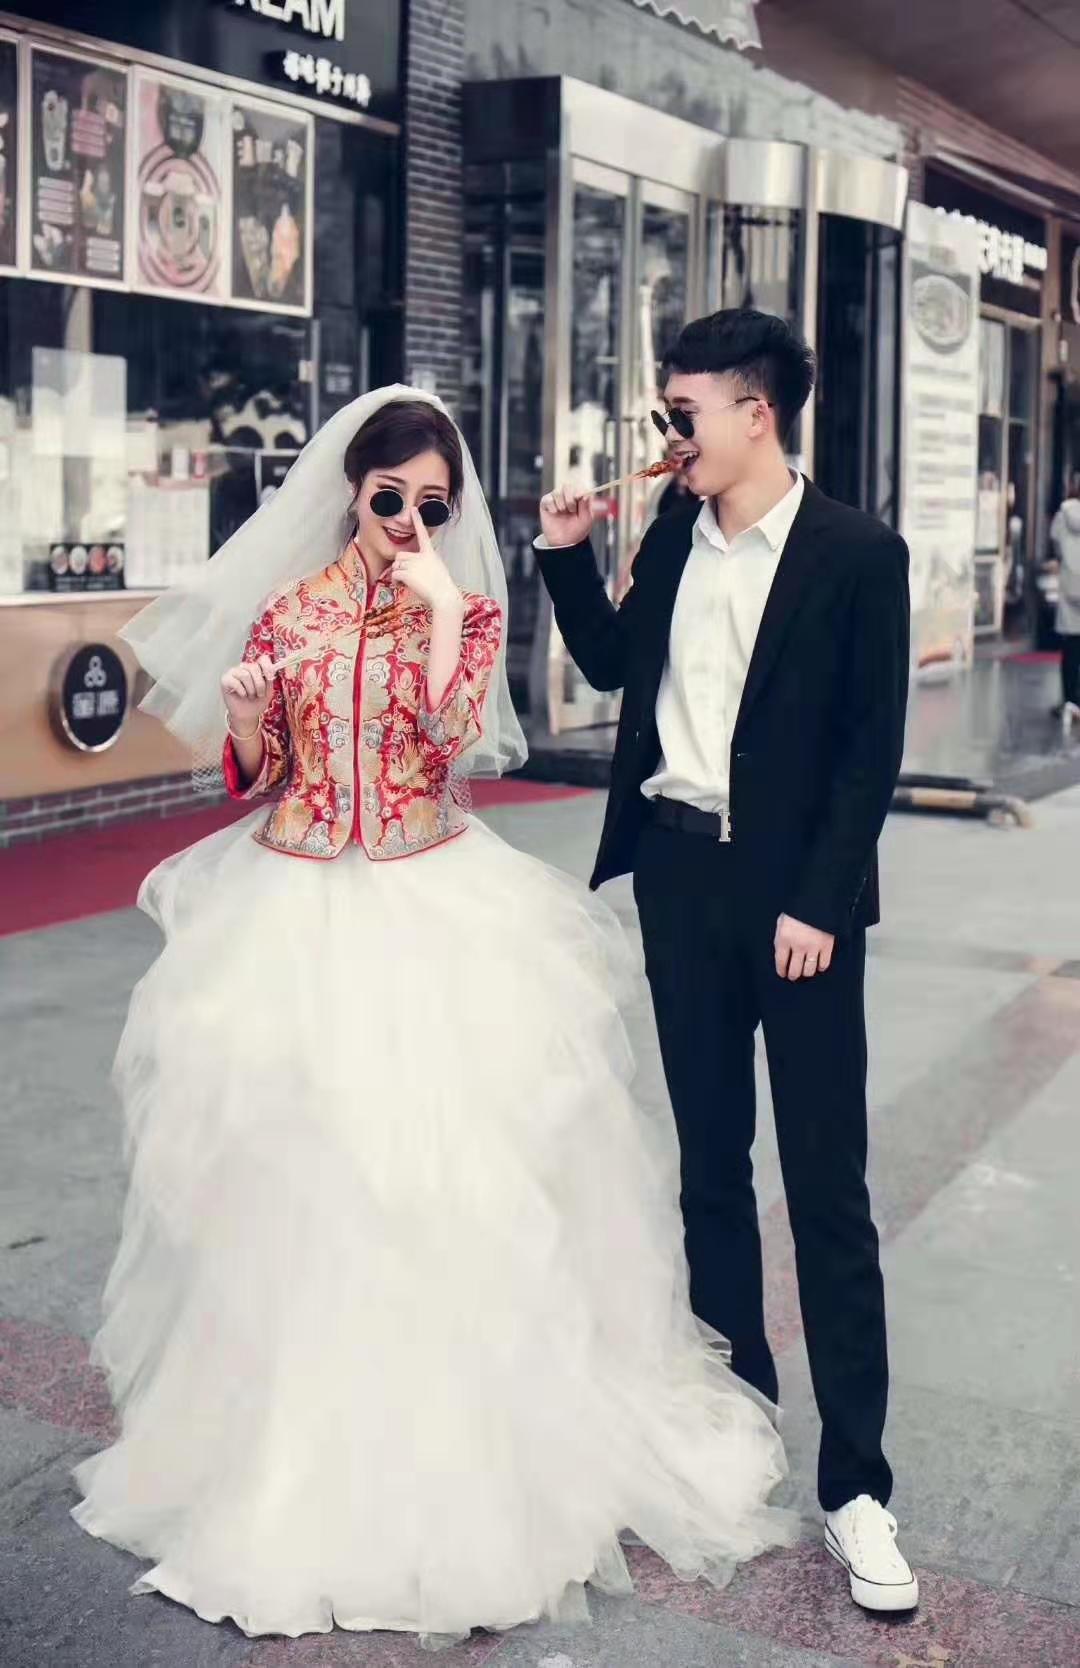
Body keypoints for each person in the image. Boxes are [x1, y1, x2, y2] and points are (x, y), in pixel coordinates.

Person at [71, 385, 796, 1645]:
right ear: (351, 493)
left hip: (429, 899)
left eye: (434, 506)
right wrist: (242, 716)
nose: (410, 522)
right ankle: (286, 1446)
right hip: (294, 907)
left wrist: (451, 612)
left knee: (444, 1180)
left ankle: (452, 1449)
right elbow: (257, 774)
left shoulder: (455, 608)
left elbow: (460, 744)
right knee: (298, 1176)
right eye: (390, 499)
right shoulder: (291, 610)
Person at [537, 309, 918, 1615]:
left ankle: (858, 1485)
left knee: (825, 1187)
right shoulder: (670, 533)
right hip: (682, 881)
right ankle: (739, 1426)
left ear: (757, 414)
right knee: (709, 1166)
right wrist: (564, 556)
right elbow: (611, 668)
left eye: (683, 414)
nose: (669, 436)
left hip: (797, 904)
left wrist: (820, 900)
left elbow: (871, 748)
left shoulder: (857, 553)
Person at [1049, 472, 1080, 723]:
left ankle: (1070, 701)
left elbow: (1056, 544)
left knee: (1070, 648)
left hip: (1071, 587)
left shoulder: (1062, 515)